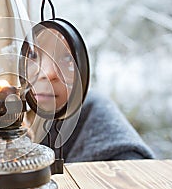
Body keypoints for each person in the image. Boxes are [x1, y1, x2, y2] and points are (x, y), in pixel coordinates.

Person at [27, 28, 155, 162]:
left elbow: (130, 165)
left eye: (66, 58)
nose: (47, 73)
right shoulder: (14, 112)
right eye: (32, 55)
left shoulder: (96, 109)